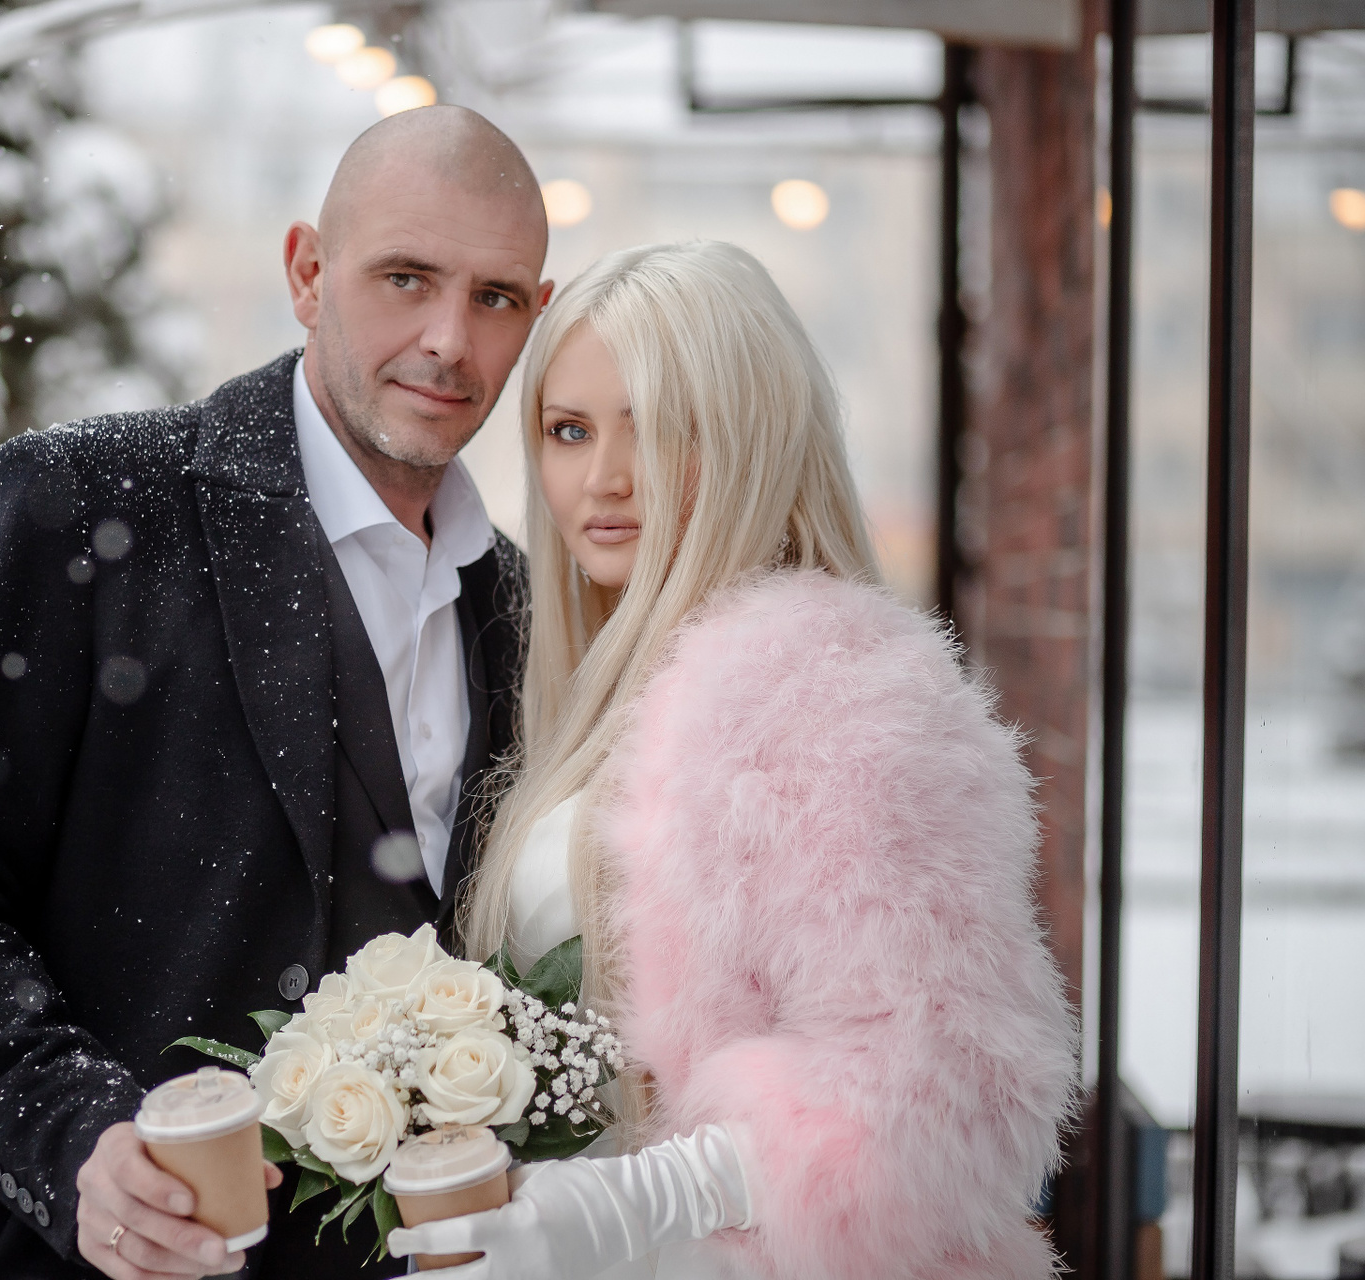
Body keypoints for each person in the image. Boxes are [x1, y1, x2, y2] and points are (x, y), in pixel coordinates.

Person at [0, 105, 551, 1280]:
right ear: (307, 271)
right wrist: (80, 1140)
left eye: (497, 297)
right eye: (406, 278)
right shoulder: (78, 503)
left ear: (537, 311)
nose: (448, 340)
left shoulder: (519, 610)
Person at [386, 240, 1079, 1279]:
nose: (604, 478)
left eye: (663, 428)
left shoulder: (829, 682)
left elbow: (957, 1086)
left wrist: (636, 1202)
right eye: (570, 431)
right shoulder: (604, 688)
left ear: (754, 437)